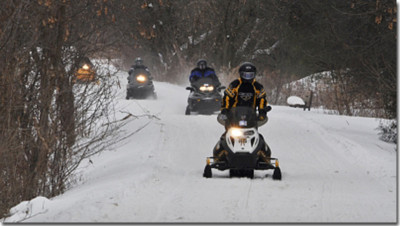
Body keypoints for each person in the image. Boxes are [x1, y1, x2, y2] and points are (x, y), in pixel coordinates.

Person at [214, 62, 272, 164]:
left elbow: (262, 99)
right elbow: (227, 97)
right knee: (227, 135)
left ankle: (263, 156)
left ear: (254, 75)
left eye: (250, 75)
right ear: (241, 74)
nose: (248, 77)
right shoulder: (235, 85)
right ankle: (221, 154)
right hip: (234, 116)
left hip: (251, 117)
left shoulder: (258, 87)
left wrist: (262, 111)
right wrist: (225, 110)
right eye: (245, 75)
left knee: (256, 135)